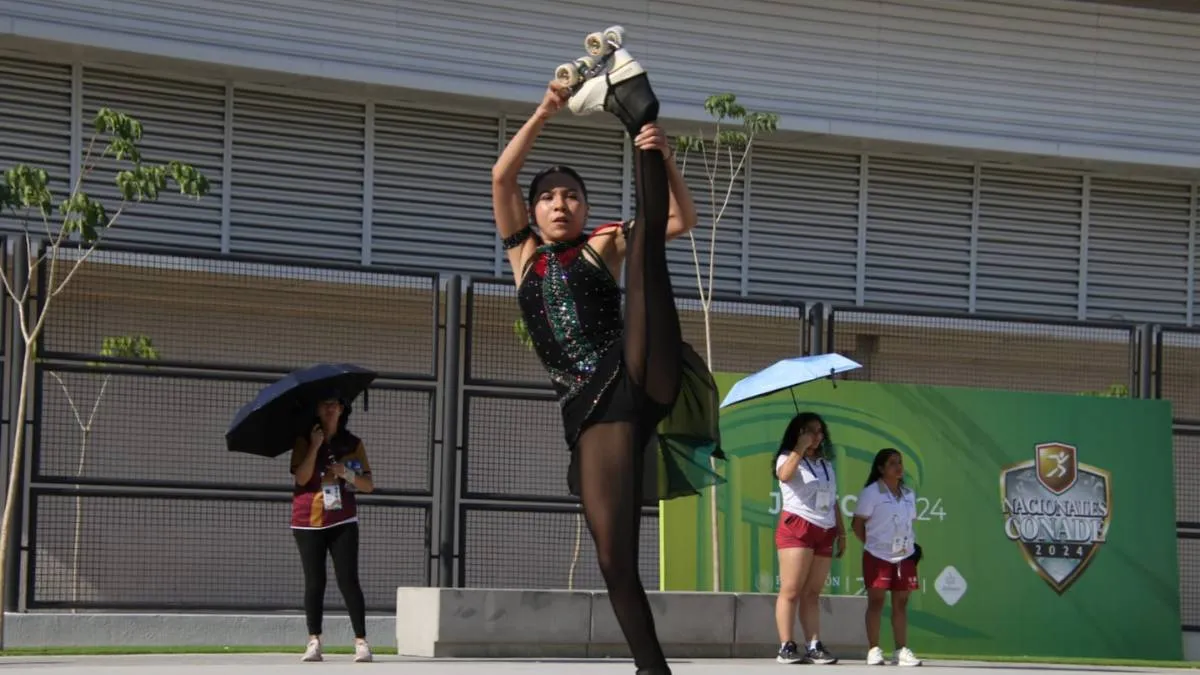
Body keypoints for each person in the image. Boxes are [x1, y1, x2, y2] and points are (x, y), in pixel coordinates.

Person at [491, 41, 723, 675]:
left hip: (639, 367)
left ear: (585, 207)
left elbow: (682, 218)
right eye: (549, 197)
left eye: (571, 195)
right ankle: (653, 670)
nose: (560, 203)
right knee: (614, 560)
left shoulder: (603, 243)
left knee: (646, 245)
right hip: (591, 411)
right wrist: (546, 109)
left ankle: (638, 112)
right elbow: (501, 178)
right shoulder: (524, 257)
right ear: (533, 212)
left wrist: (663, 157)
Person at [289, 390, 375, 663]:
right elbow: (302, 478)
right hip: (307, 520)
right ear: (316, 409)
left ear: (342, 409)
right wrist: (315, 446)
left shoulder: (353, 443)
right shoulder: (303, 440)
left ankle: (361, 641)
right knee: (315, 581)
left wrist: (346, 473)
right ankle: (314, 640)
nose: (330, 409)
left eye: (335, 405)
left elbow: (368, 485)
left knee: (348, 579)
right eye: (325, 404)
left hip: (342, 519)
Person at [773, 411, 845, 665]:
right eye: (810, 431)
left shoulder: (826, 464)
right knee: (791, 589)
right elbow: (784, 475)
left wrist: (841, 531)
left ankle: (814, 645)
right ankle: (786, 645)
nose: (817, 435)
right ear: (799, 433)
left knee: (813, 592)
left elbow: (832, 498)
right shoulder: (787, 457)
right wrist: (799, 448)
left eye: (819, 431)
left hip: (825, 528)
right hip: (798, 526)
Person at [852, 448, 923, 667]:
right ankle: (873, 649)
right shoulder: (871, 493)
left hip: (905, 555)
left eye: (899, 462)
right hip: (877, 555)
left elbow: (908, 523)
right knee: (876, 602)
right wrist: (873, 545)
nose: (898, 467)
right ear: (881, 468)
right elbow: (857, 524)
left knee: (901, 603)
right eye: (892, 463)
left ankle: (901, 651)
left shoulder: (909, 494)